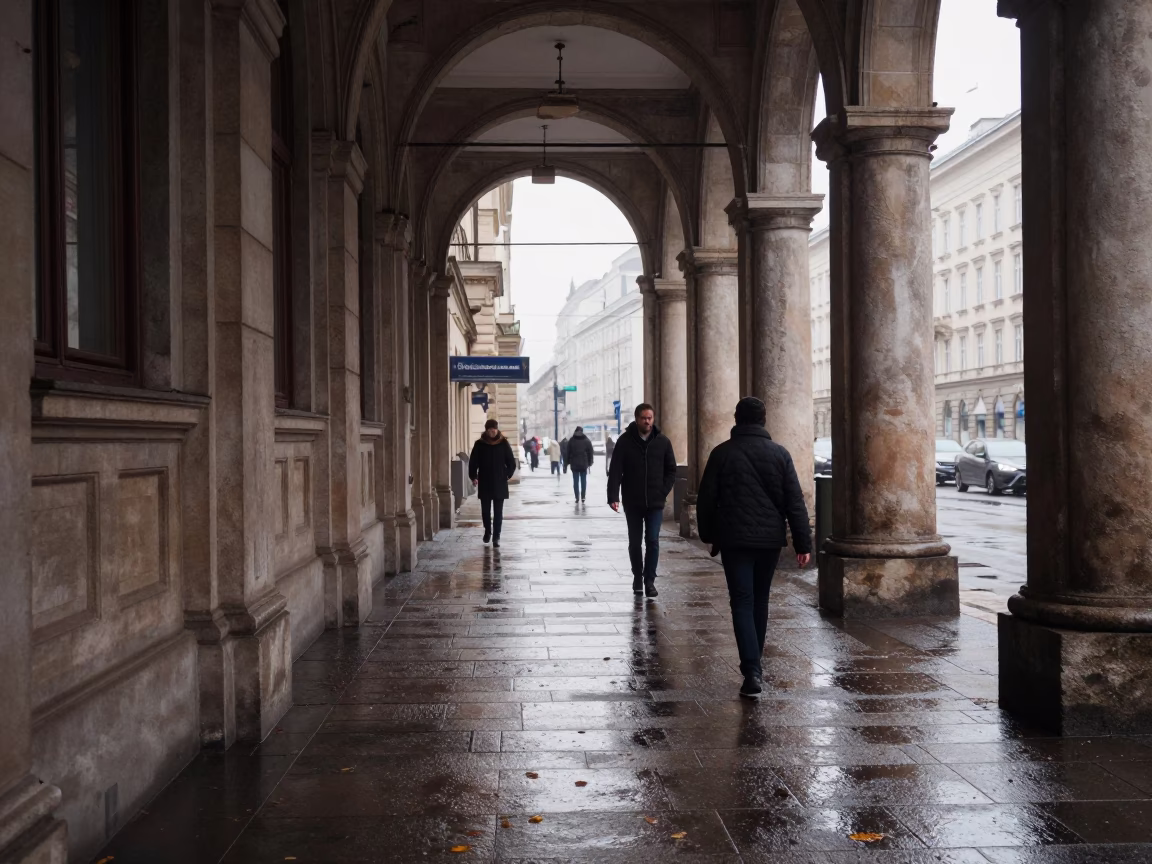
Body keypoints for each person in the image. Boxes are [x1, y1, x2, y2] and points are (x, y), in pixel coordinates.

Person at [696, 396, 812, 699]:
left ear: (737, 419)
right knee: (760, 601)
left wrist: (709, 535)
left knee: (742, 602)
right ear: (763, 420)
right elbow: (794, 502)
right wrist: (803, 542)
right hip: (769, 540)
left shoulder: (721, 454)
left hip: (734, 540)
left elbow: (706, 500)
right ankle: (754, 665)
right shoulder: (780, 454)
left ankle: (752, 670)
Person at [607, 403, 677, 597]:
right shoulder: (624, 441)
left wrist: (662, 491)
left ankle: (649, 580)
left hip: (655, 502)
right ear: (637, 419)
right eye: (644, 418)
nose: (647, 421)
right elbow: (615, 470)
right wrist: (613, 496)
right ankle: (637, 576)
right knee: (635, 542)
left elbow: (671, 470)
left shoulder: (662, 441)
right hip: (633, 501)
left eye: (650, 418)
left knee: (653, 541)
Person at [469, 418, 517, 547]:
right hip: (484, 481)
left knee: (498, 512)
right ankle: (487, 531)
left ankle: (496, 537)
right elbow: (473, 462)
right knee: (485, 511)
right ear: (486, 430)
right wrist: (473, 476)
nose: (492, 432)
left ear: (497, 429)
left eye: (494, 429)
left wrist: (506, 475)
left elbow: (511, 462)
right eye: (490, 429)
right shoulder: (479, 444)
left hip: (499, 482)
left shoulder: (503, 443)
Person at [566, 426, 595, 504]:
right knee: (583, 481)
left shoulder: (571, 440)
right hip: (584, 464)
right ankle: (583, 497)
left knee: (575, 481)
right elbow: (591, 452)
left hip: (574, 464)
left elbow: (567, 452)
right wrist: (590, 462)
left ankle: (577, 497)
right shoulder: (586, 440)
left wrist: (567, 462)